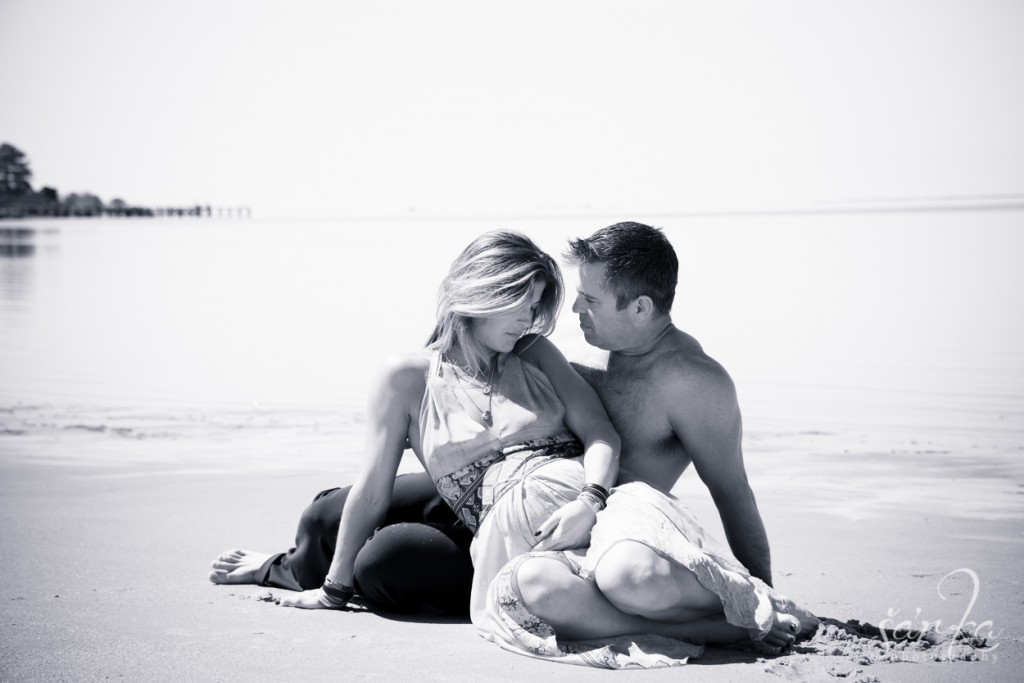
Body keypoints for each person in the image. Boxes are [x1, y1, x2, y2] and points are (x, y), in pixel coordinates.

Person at [212, 229, 810, 667]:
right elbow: (372, 487)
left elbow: (711, 481)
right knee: (327, 512)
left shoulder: (657, 375)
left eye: (584, 301)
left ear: (641, 307)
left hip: (572, 503)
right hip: (488, 501)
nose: (559, 314)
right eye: (534, 301)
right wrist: (332, 591)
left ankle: (731, 614)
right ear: (481, 292)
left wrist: (759, 585)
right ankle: (286, 569)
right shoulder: (422, 375)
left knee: (385, 561)